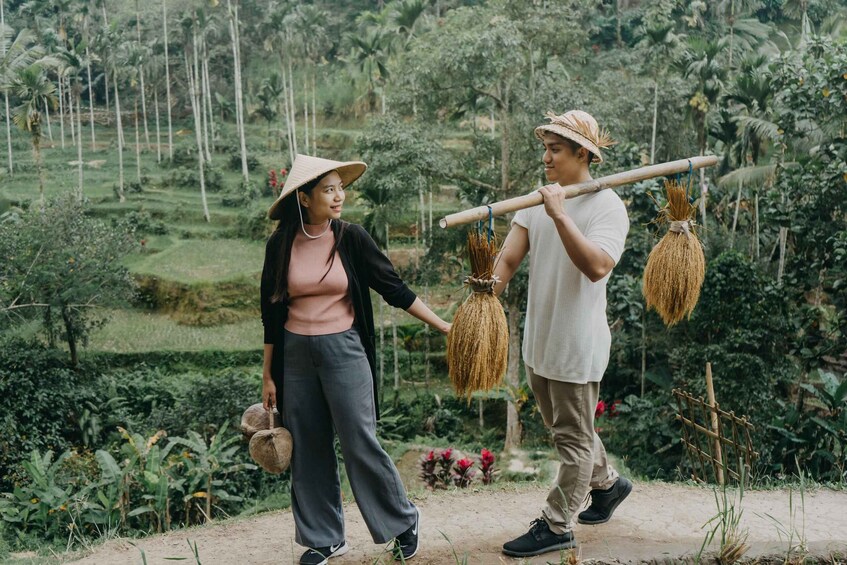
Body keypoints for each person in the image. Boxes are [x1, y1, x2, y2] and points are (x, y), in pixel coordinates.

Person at [260, 154, 451, 565]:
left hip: (344, 350)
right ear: (305, 198)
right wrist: (268, 375)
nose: (339, 196)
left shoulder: (351, 238)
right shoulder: (279, 244)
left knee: (358, 439)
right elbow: (270, 312)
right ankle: (324, 538)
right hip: (294, 356)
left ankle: (402, 522)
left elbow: (394, 289)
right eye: (328, 190)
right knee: (308, 447)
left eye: (340, 188)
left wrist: (444, 326)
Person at [495, 111, 633, 557]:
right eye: (546, 148)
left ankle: (557, 525)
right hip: (540, 340)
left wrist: (558, 213)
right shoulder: (538, 202)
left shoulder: (607, 206)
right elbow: (509, 260)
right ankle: (607, 485)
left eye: (555, 149)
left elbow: (596, 266)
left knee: (572, 440)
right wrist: (484, 293)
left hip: (576, 346)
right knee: (566, 428)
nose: (546, 157)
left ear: (582, 154)